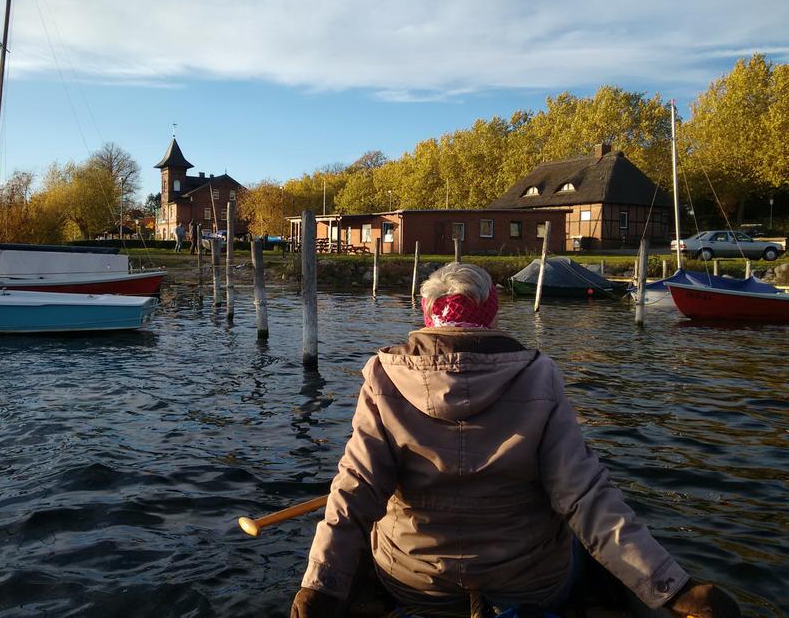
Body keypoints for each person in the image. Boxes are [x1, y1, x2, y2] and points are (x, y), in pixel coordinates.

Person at [290, 263, 740, 618]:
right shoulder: (539, 372)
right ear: (492, 309)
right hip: (531, 584)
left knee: (372, 531)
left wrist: (321, 587)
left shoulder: (382, 375)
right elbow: (585, 497)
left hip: (414, 582)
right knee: (583, 545)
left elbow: (354, 491)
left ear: (427, 313)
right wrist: (674, 588)